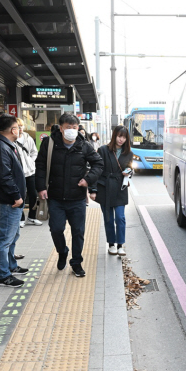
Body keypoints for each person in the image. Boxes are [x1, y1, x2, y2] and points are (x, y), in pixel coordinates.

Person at [35, 113, 103, 276]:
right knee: (56, 229)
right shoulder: (49, 143)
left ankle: (76, 263)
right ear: (61, 128)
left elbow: (98, 164)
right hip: (56, 197)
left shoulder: (84, 145)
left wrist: (88, 180)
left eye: (74, 128)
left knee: (78, 231)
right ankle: (62, 251)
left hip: (77, 198)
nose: (71, 131)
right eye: (68, 127)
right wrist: (41, 187)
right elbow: (41, 166)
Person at [0, 114, 27, 287]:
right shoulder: (1, 147)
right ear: (12, 129)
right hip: (7, 201)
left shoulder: (5, 144)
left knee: (12, 235)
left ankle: (10, 265)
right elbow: (4, 176)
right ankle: (3, 275)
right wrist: (16, 196)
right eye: (17, 127)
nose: (19, 130)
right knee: (5, 238)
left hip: (9, 200)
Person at [95, 126, 133, 256]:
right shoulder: (103, 150)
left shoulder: (128, 153)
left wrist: (129, 171)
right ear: (114, 136)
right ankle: (111, 244)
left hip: (120, 188)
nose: (121, 139)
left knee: (120, 218)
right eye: (119, 136)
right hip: (105, 187)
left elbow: (130, 168)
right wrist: (93, 190)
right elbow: (97, 170)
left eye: (124, 137)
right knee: (108, 218)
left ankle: (120, 244)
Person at [15, 118, 41, 228]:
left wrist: (30, 161)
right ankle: (21, 218)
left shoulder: (27, 138)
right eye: (18, 126)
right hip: (18, 173)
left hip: (30, 171)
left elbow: (34, 152)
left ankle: (32, 216)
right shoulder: (11, 139)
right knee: (20, 195)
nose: (20, 129)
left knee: (33, 194)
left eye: (21, 126)